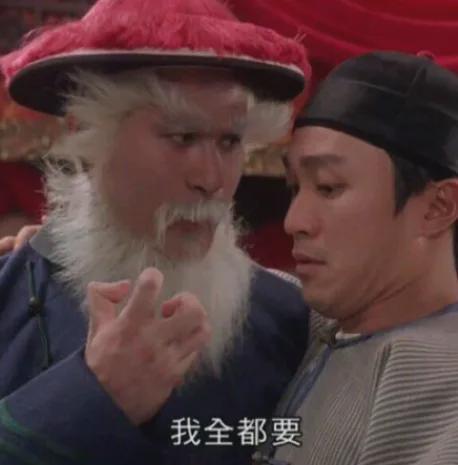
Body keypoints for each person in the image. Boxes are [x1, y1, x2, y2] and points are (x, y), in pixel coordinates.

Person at [0, 0, 312, 464]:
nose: (211, 178)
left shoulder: (289, 322)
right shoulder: (11, 296)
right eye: (182, 138)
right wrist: (89, 397)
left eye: (229, 141)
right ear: (85, 131)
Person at [253, 50, 458, 465]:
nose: (293, 221)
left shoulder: (438, 374)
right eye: (295, 188)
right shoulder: (331, 324)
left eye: (328, 187)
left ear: (437, 207)